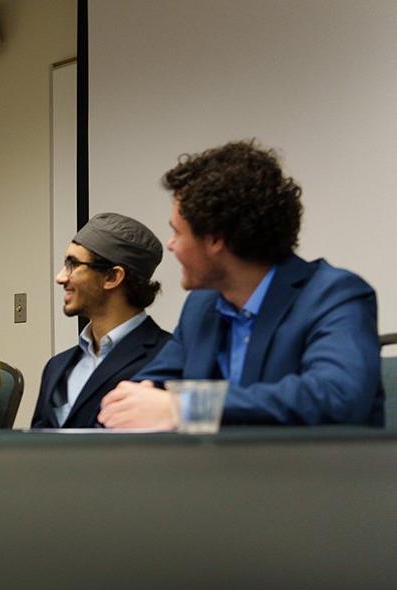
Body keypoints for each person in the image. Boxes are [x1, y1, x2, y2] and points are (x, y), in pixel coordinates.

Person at [99, 140, 384, 429]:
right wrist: (129, 405)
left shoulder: (334, 295)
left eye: (177, 232)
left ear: (215, 239)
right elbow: (146, 391)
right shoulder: (202, 306)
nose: (170, 245)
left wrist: (186, 408)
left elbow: (337, 398)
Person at [30, 213, 173, 429]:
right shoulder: (56, 367)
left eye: (73, 264)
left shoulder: (167, 358)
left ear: (112, 277)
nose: (60, 277)